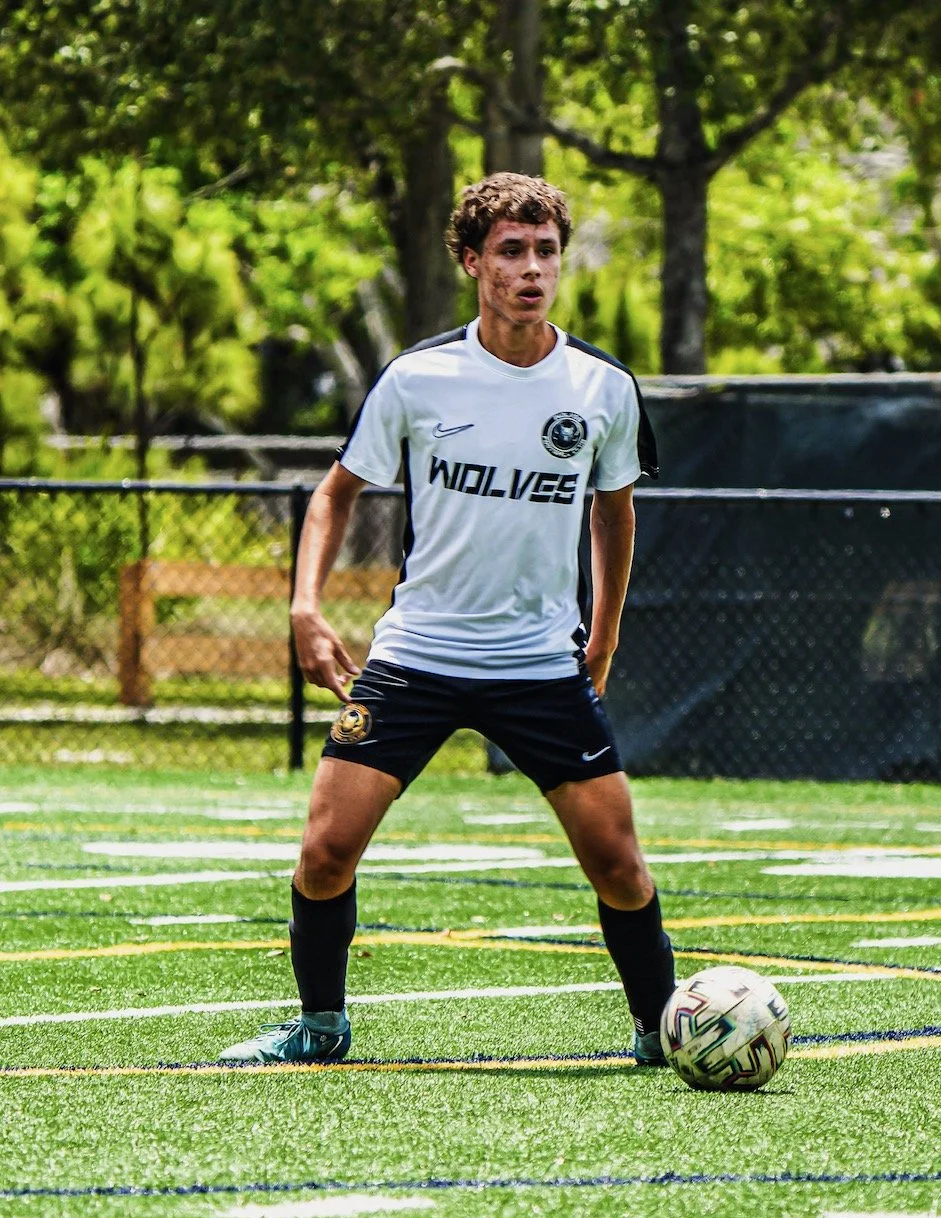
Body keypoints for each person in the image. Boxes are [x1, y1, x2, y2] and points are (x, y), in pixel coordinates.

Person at [219, 172, 676, 1067]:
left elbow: (613, 514)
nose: (531, 269)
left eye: (545, 250)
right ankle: (320, 1027)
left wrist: (605, 633)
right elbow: (333, 495)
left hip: (540, 665)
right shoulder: (416, 378)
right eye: (510, 251)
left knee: (618, 865)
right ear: (472, 262)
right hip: (417, 657)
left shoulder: (601, 388)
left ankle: (663, 1029)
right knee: (324, 851)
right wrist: (304, 607)